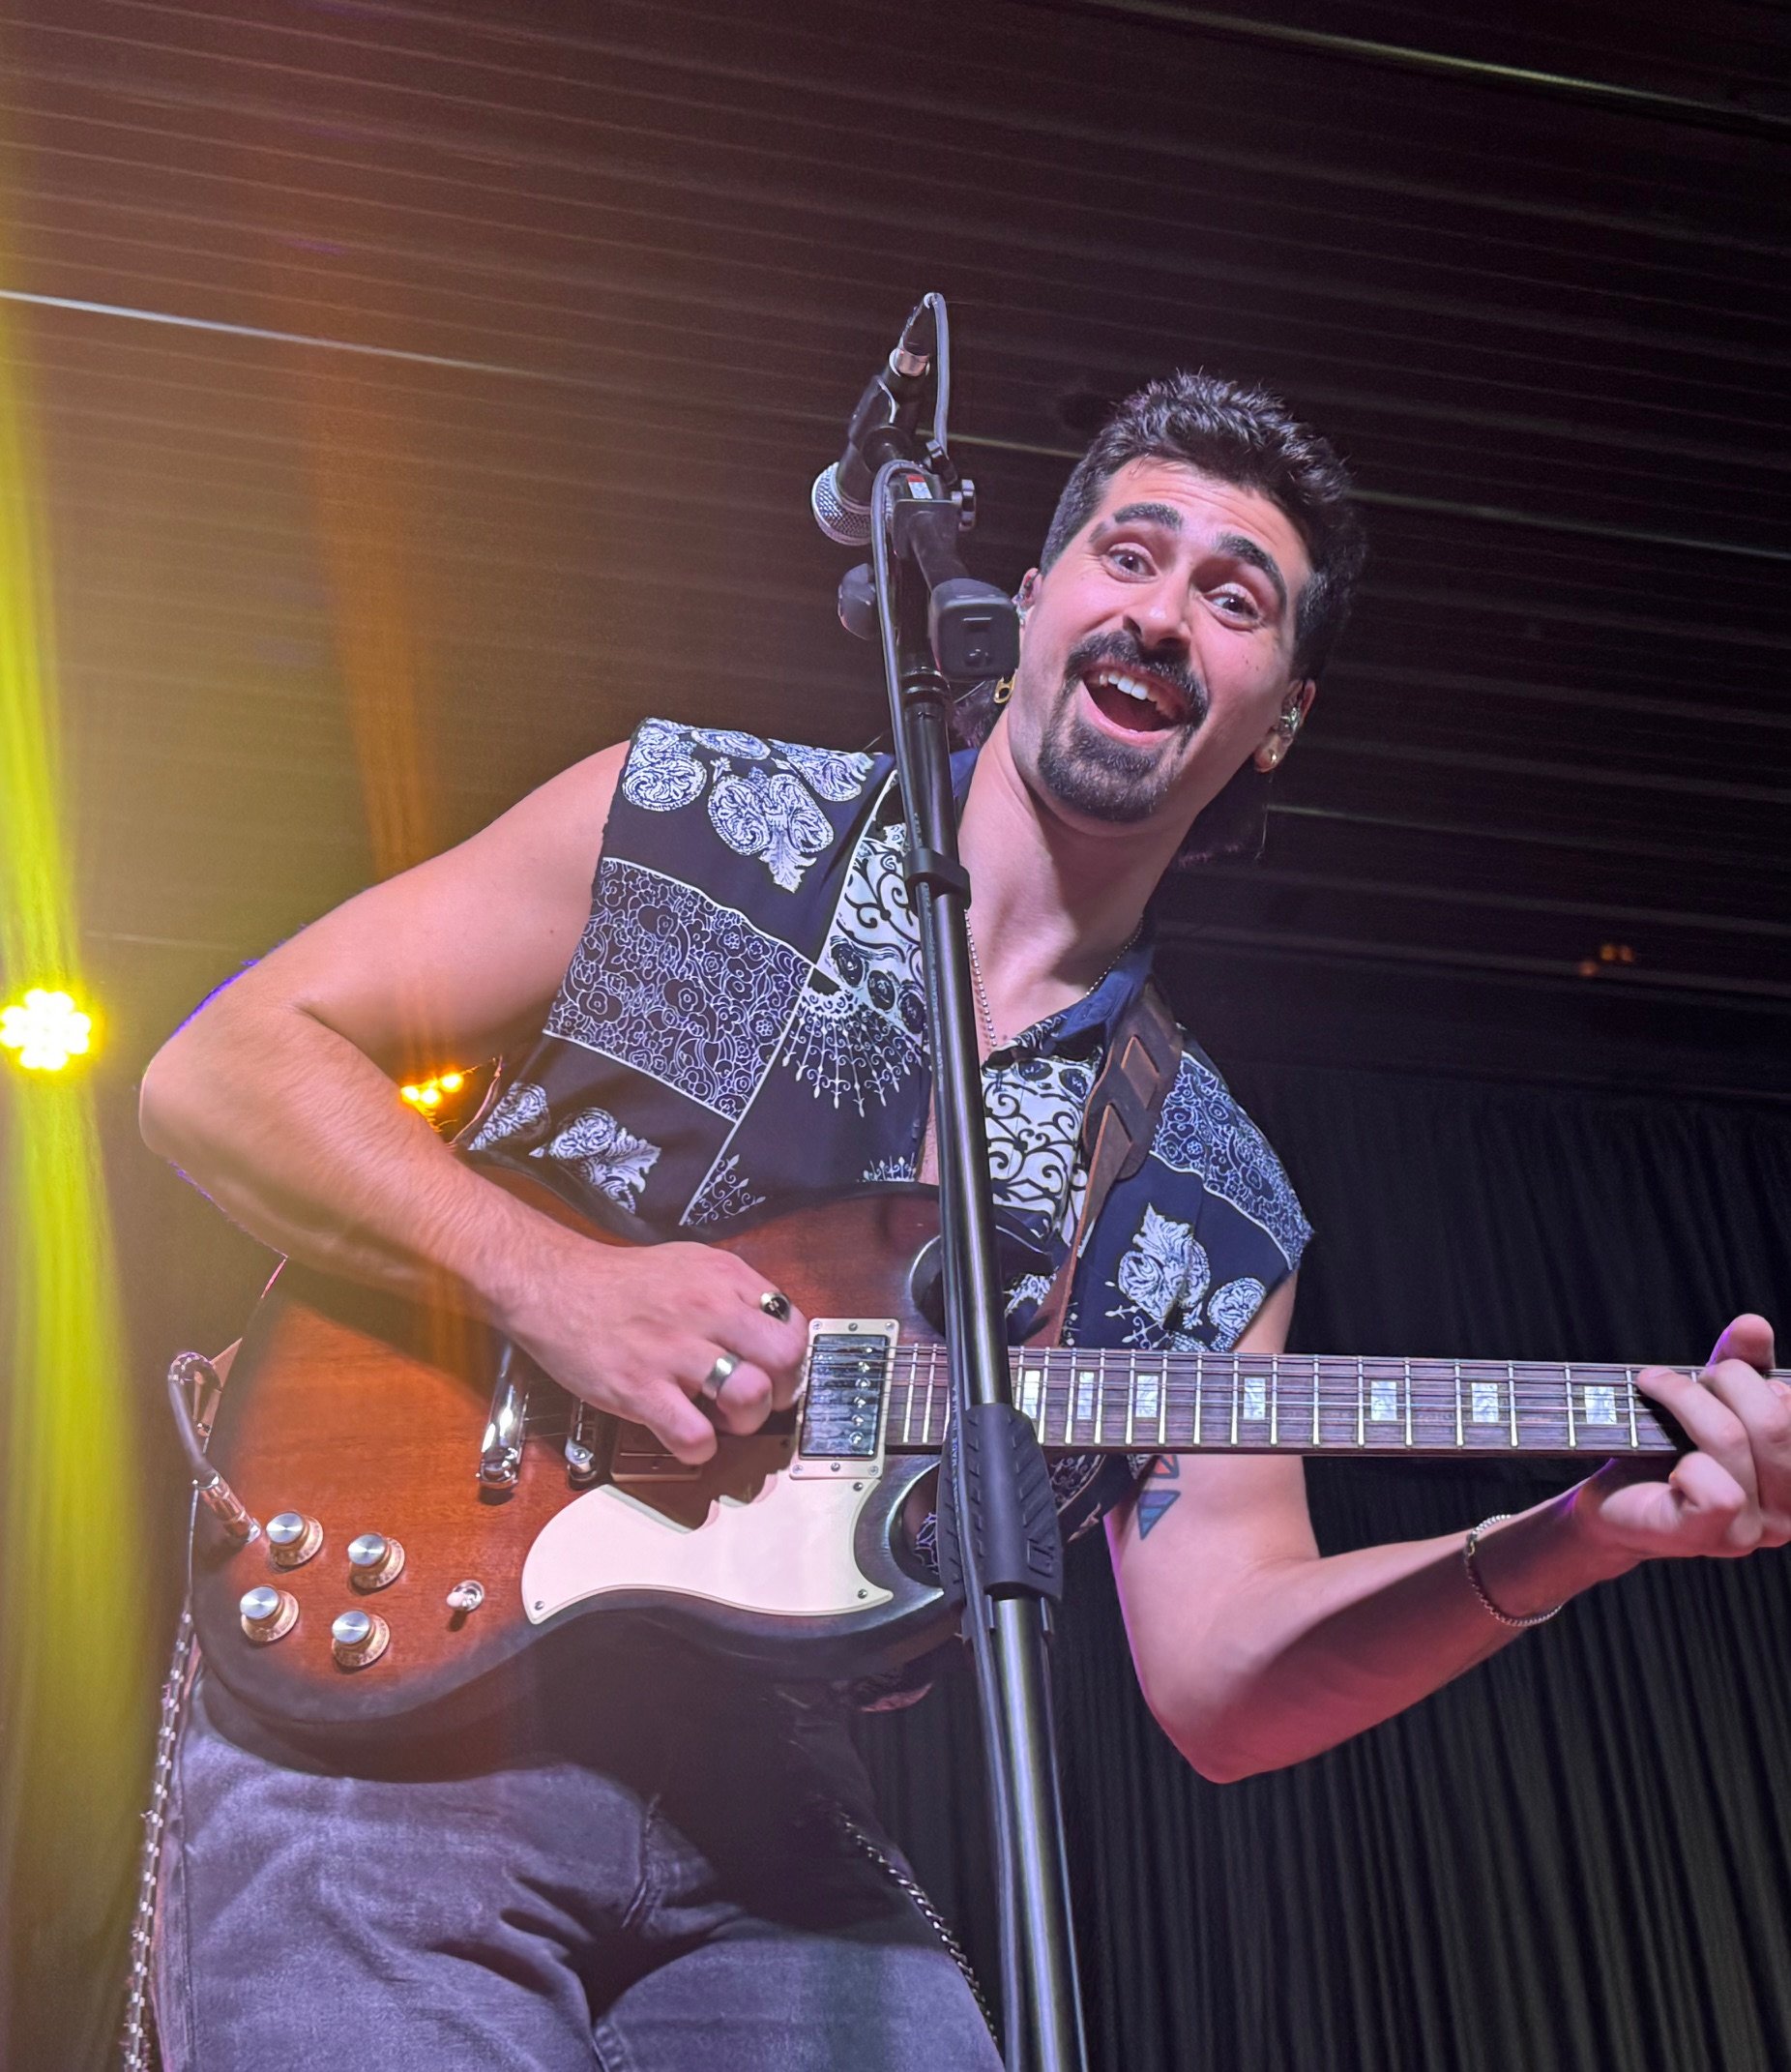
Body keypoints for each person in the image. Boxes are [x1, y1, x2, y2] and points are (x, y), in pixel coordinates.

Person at [137, 372, 1785, 2071]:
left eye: (1234, 599)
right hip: (396, 1707)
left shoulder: (1210, 1199)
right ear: (1036, 599)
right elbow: (225, 1068)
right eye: (1129, 555)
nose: (1164, 613)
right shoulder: (693, 819)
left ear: (1280, 716)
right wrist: (555, 1283)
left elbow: (1225, 1678)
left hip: (765, 1813)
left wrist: (1579, 1534)